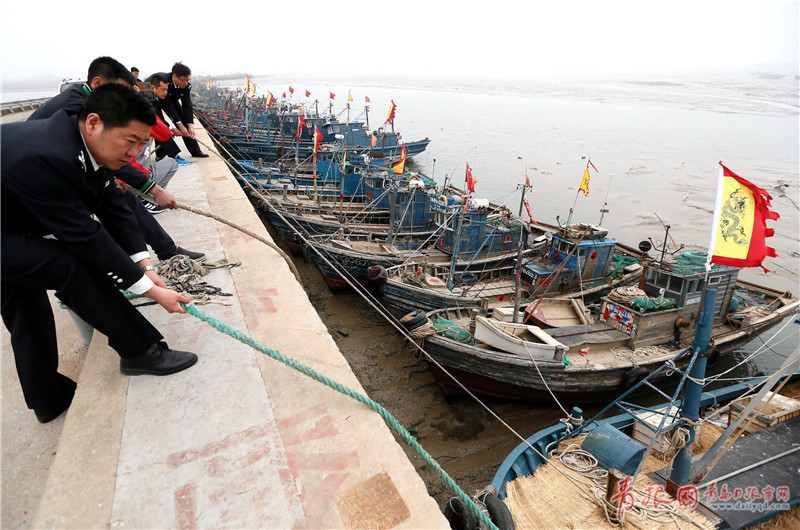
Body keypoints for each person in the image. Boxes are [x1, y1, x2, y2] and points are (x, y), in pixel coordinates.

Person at [1, 84, 199, 424]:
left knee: (23, 302)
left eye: (141, 143)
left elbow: (112, 202)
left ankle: (46, 396)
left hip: (11, 221)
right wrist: (151, 290)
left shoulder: (83, 142)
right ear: (94, 122)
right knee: (67, 264)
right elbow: (86, 239)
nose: (136, 153)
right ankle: (139, 350)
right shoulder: (49, 156)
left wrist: (144, 265)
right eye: (131, 141)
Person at [29, 56, 205, 261]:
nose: (123, 99)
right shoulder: (77, 109)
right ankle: (137, 267)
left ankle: (158, 255)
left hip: (65, 171)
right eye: (119, 91)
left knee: (121, 196)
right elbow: (107, 155)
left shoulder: (89, 102)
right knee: (112, 203)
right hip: (43, 183)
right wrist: (153, 189)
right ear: (98, 84)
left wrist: (149, 187)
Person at [151, 62, 209, 158]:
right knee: (160, 123)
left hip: (171, 99)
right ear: (175, 77)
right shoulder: (165, 82)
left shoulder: (186, 86)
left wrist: (190, 125)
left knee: (184, 120)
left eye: (188, 80)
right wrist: (179, 126)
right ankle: (160, 154)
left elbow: (187, 104)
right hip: (154, 98)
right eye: (183, 80)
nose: (186, 83)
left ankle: (195, 151)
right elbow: (168, 107)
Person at [147, 73, 191, 165]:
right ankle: (174, 156)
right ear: (152, 87)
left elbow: (159, 118)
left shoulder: (152, 98)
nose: (165, 93)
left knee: (162, 129)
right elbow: (158, 121)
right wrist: (171, 129)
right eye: (162, 90)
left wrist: (170, 128)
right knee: (161, 129)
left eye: (166, 90)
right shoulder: (148, 101)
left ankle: (161, 155)